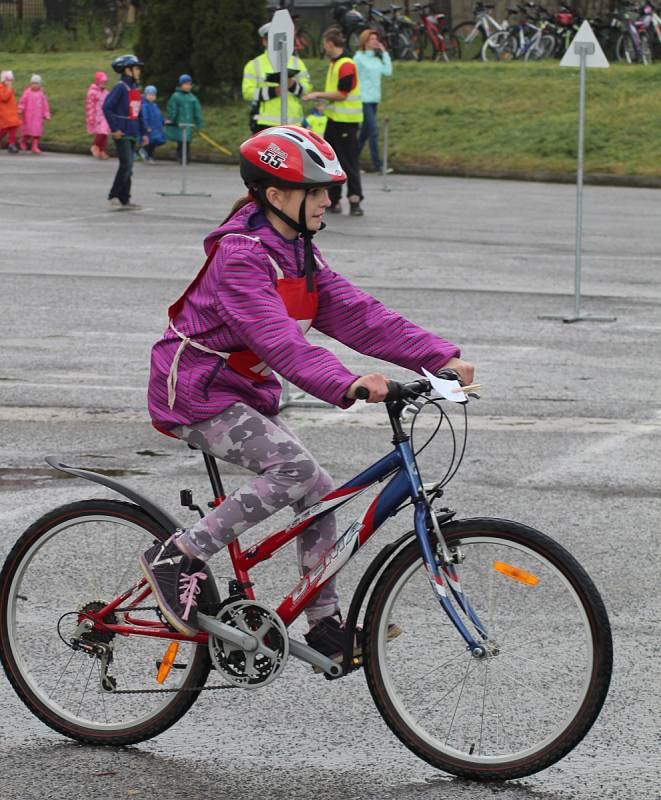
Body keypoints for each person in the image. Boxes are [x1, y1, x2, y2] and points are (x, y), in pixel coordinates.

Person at [139, 125, 474, 662]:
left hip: (242, 391)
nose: (327, 200)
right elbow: (280, 340)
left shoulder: (300, 254)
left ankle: (323, 622)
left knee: (318, 486)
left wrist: (438, 356)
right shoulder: (241, 257)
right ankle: (178, 555)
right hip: (196, 392)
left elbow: (361, 315)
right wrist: (347, 382)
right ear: (276, 196)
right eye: (315, 191)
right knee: (293, 470)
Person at [303, 29, 364, 217]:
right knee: (331, 161)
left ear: (329, 43)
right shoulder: (335, 63)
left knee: (348, 162)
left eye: (324, 44)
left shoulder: (345, 64)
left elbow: (342, 94)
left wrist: (317, 94)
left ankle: (355, 200)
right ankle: (334, 200)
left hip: (346, 122)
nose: (324, 48)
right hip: (334, 120)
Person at [242, 21, 312, 132]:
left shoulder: (297, 62)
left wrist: (292, 85)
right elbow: (247, 93)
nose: (278, 43)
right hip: (266, 124)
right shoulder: (253, 65)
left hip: (294, 123)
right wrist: (274, 91)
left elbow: (306, 90)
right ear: (264, 41)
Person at [102, 54, 148, 211]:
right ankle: (113, 196)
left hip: (133, 132)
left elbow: (138, 112)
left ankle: (125, 199)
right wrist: (114, 128)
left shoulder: (135, 89)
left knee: (129, 167)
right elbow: (106, 107)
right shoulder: (120, 87)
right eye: (136, 68)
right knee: (126, 165)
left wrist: (144, 133)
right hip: (122, 134)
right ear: (127, 70)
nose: (138, 72)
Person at [354, 29, 392, 174]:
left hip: (374, 99)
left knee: (364, 134)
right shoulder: (358, 58)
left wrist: (385, 54)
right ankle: (378, 165)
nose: (375, 41)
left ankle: (351, 161)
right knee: (373, 131)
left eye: (376, 39)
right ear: (365, 42)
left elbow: (387, 72)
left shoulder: (377, 58)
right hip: (363, 99)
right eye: (371, 39)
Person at [165, 74, 204, 164]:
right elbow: (172, 108)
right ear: (180, 85)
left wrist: (199, 123)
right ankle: (180, 157)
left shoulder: (192, 98)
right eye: (185, 84)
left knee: (187, 142)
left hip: (188, 124)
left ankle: (185, 157)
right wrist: (172, 119)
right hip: (180, 124)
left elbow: (197, 112)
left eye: (189, 84)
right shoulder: (176, 96)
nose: (187, 86)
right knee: (181, 141)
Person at [17, 74, 50, 155]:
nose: (35, 85)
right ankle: (22, 141)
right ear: (30, 84)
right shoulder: (27, 92)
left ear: (40, 84)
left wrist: (46, 114)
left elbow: (45, 105)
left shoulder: (41, 95)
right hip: (28, 117)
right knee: (27, 132)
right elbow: (22, 101)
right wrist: (20, 109)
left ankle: (35, 146)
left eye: (37, 83)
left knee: (37, 132)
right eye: (33, 83)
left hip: (38, 117)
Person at [85, 70, 110, 159]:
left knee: (105, 133)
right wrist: (91, 117)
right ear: (97, 81)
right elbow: (90, 105)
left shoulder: (106, 92)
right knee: (101, 132)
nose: (104, 84)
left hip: (105, 116)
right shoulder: (92, 92)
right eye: (102, 82)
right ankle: (95, 146)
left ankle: (102, 150)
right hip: (97, 116)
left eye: (105, 82)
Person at [139, 85, 166, 163]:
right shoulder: (144, 106)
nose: (151, 96)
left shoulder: (155, 106)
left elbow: (159, 115)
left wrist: (163, 121)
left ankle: (150, 156)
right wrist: (146, 126)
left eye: (153, 95)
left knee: (155, 142)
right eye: (150, 95)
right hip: (150, 128)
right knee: (150, 141)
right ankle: (145, 152)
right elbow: (144, 117)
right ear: (145, 95)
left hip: (156, 127)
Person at [0, 70, 20, 154]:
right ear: (3, 80)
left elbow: (11, 98)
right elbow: (4, 98)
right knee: (3, 129)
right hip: (4, 114)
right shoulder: (1, 88)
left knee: (13, 128)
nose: (10, 82)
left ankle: (11, 144)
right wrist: (9, 88)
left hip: (12, 113)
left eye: (11, 80)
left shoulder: (9, 88)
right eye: (8, 80)